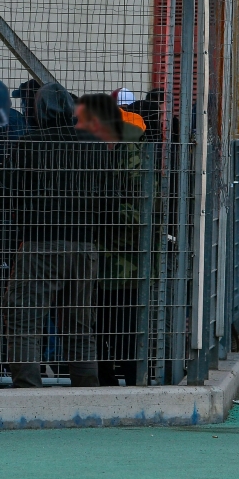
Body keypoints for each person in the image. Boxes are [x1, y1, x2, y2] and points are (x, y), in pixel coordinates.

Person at [0, 83, 121, 388]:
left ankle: (28, 390)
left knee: (25, 320)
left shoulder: (30, 144)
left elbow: (0, 194)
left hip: (40, 243)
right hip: (84, 246)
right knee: (79, 326)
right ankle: (86, 391)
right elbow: (113, 199)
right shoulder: (95, 145)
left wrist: (25, 213)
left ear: (38, 111)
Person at [76, 93, 143, 385]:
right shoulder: (99, 152)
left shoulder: (132, 157)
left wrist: (102, 209)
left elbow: (143, 213)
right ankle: (107, 383)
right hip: (99, 263)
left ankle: (132, 385)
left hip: (123, 266)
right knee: (98, 330)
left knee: (123, 332)